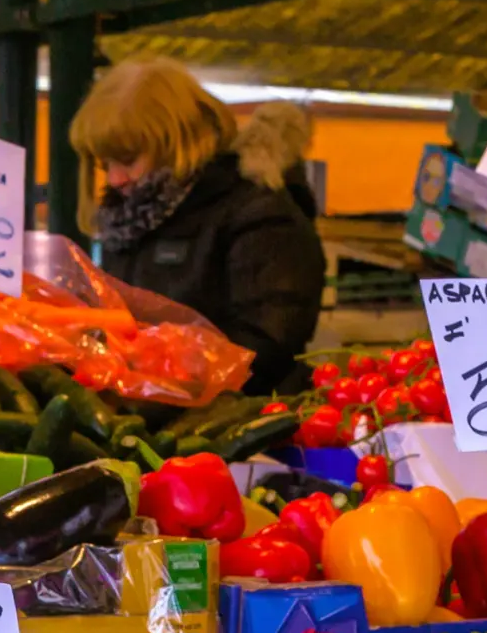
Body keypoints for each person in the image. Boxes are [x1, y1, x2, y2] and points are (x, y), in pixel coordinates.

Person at [69, 57, 325, 392]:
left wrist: (159, 373)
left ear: (178, 142)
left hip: (236, 425)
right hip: (148, 411)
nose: (115, 179)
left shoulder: (258, 214)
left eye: (129, 160)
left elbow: (265, 346)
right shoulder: (134, 217)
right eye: (106, 164)